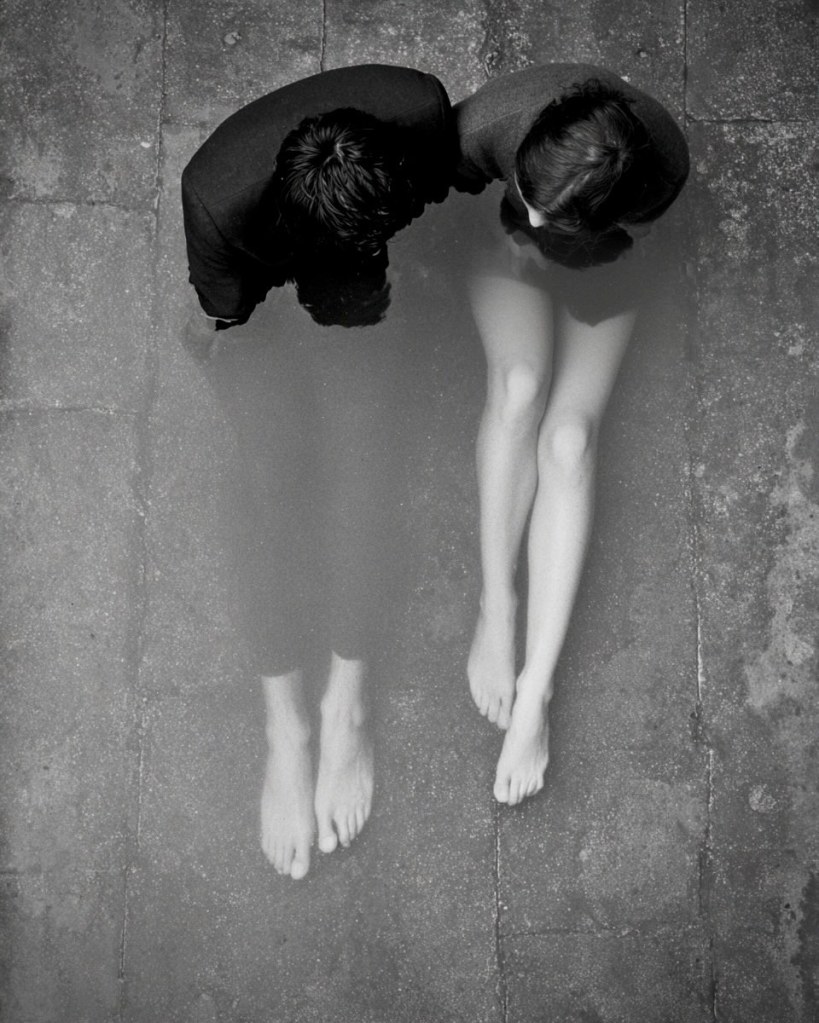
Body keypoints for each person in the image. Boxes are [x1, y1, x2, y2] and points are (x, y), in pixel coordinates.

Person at [181, 64, 456, 878]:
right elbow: (225, 322)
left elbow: (443, 199)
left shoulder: (417, 111)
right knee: (266, 477)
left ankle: (345, 705)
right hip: (253, 303)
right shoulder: (217, 203)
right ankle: (287, 727)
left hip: (358, 281)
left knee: (365, 469)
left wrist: (382, 271)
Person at [452, 64, 689, 805]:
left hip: (605, 258)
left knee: (570, 440)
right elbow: (456, 202)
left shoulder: (658, 175)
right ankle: (497, 607)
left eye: (546, 211)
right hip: (495, 244)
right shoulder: (486, 127)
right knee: (519, 385)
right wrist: (521, 224)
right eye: (532, 196)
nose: (536, 218)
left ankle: (537, 689)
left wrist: (575, 237)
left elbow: (637, 241)